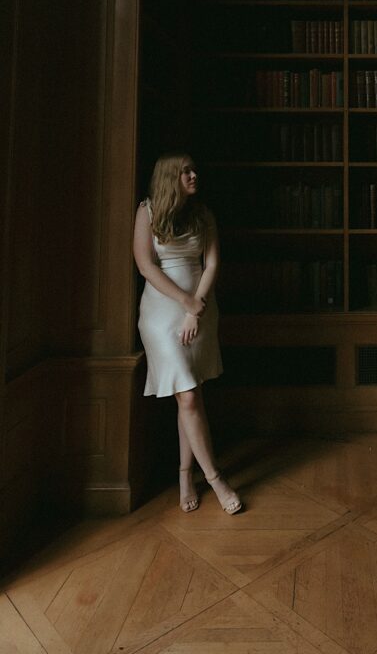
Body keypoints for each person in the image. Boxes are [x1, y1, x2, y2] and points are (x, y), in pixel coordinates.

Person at [134, 152, 242, 515]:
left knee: (188, 396)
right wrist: (184, 302)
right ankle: (215, 478)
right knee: (189, 396)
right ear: (169, 177)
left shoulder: (203, 214)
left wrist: (198, 305)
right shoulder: (147, 212)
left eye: (194, 169)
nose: (194, 175)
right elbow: (146, 266)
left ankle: (184, 475)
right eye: (186, 172)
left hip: (201, 309)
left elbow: (211, 263)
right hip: (162, 312)